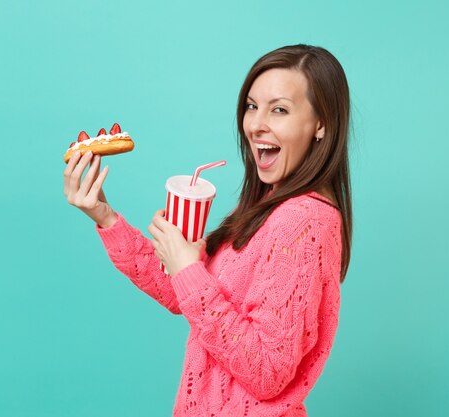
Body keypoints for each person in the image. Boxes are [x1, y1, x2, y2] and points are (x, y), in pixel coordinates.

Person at [63, 44, 353, 417]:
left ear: (321, 124)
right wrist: (105, 217)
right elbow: (182, 294)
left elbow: (267, 371)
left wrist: (187, 268)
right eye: (251, 106)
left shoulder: (302, 220)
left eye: (279, 109)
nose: (256, 123)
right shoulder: (268, 205)